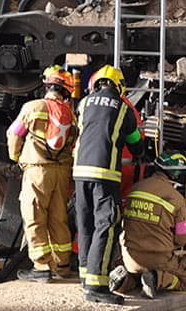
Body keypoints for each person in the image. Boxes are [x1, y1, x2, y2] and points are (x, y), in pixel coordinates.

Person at [73, 64, 144, 305]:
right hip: (105, 174)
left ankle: (85, 276)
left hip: (80, 173)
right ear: (119, 86)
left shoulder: (83, 104)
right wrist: (142, 152)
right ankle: (97, 286)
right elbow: (135, 142)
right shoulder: (123, 108)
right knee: (107, 224)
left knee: (86, 224)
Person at [8, 65, 78, 283]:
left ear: (47, 86)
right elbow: (74, 143)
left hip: (38, 171)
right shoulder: (70, 114)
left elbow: (14, 133)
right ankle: (62, 264)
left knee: (34, 215)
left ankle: (40, 267)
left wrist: (16, 157)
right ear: (65, 90)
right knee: (59, 218)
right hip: (62, 173)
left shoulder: (33, 107)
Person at [109, 151, 186, 299]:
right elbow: (181, 238)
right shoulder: (177, 199)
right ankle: (155, 279)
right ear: (177, 174)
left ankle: (123, 281)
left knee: (135, 273)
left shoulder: (135, 188)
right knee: (184, 276)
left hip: (129, 257)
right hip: (159, 260)